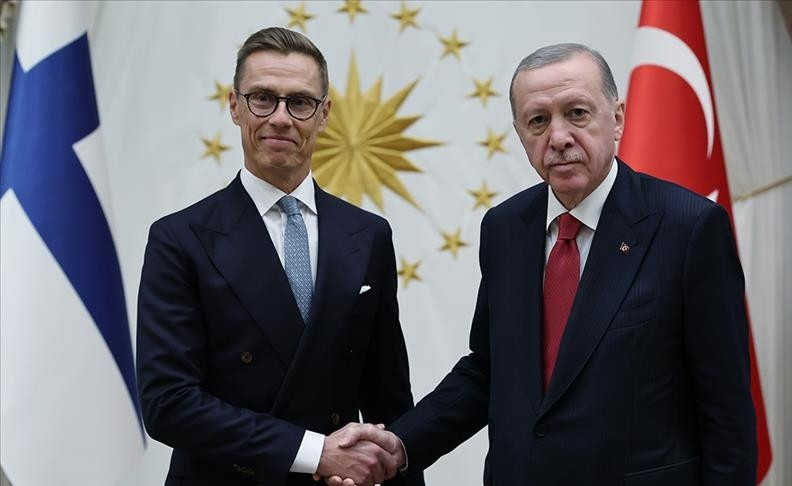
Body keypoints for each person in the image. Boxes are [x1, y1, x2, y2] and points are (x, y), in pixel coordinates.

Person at [327, 43, 757, 485]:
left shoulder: (689, 227)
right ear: (520, 134)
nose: (559, 137)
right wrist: (400, 444)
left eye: (577, 113)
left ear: (617, 118)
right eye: (538, 121)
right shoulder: (505, 228)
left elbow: (727, 415)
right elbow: (488, 370)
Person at [136, 27, 422, 486]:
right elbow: (168, 404)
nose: (281, 118)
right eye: (263, 99)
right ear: (234, 106)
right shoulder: (180, 238)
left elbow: (388, 400)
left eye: (300, 102)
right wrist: (315, 453)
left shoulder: (368, 235)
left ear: (324, 114)